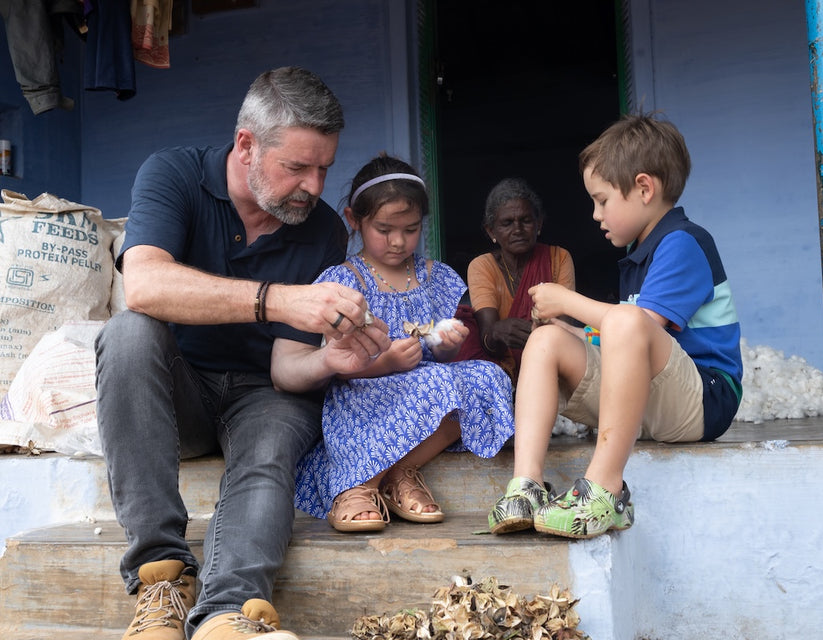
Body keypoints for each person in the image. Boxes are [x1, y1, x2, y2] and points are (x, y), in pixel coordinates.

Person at [95, 67, 391, 640]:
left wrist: (335, 354)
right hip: (179, 392)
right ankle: (161, 580)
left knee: (272, 443)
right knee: (127, 334)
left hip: (265, 392)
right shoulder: (173, 174)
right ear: (247, 145)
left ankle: (229, 615)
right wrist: (277, 300)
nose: (314, 185)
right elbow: (146, 286)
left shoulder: (322, 228)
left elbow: (287, 364)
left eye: (324, 168)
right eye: (297, 167)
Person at [487, 113, 743, 539]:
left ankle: (607, 490)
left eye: (602, 200)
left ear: (644, 188)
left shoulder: (683, 243)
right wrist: (565, 327)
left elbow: (637, 327)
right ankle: (526, 486)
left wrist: (568, 300)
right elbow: (622, 341)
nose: (594, 214)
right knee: (548, 340)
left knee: (623, 319)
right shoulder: (639, 253)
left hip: (704, 398)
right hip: (652, 396)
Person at [271, 154, 515, 533]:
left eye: (411, 229)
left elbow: (443, 356)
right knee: (435, 383)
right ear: (355, 220)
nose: (399, 242)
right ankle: (356, 486)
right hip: (366, 390)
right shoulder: (344, 281)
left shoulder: (435, 276)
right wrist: (387, 364)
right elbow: (337, 359)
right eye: (384, 229)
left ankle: (402, 469)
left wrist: (447, 343)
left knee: (487, 377)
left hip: (426, 383)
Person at [465, 178, 576, 384]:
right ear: (491, 231)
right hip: (503, 374)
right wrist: (498, 332)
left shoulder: (559, 258)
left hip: (552, 367)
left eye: (526, 220)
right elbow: (488, 338)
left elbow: (563, 328)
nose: (518, 229)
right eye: (507, 223)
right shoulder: (482, 266)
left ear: (539, 223)